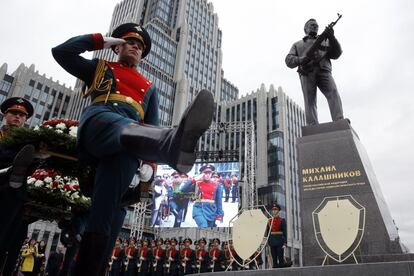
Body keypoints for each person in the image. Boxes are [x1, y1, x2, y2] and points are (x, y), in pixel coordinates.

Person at [52, 22, 214, 275]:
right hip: (100, 123)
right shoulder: (100, 67)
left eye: (140, 47)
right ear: (117, 47)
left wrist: (147, 171)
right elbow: (61, 52)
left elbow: (151, 124)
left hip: (128, 148)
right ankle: (172, 144)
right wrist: (101, 41)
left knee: (107, 216)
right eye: (130, 43)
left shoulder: (149, 86)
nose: (136, 48)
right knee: (125, 127)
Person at [0, 97, 36, 276]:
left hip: (13, 193)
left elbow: (33, 169)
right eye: (13, 113)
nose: (17, 117)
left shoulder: (29, 143)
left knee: (6, 239)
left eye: (22, 115)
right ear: (5, 115)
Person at [285, 18, 343, 125]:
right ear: (305, 29)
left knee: (333, 92)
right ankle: (312, 124)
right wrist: (301, 59)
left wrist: (332, 37)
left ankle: (339, 119)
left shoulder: (326, 41)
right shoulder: (297, 44)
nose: (315, 27)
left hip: (324, 71)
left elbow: (337, 54)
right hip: (307, 72)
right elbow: (288, 61)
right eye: (312, 25)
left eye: (316, 26)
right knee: (310, 100)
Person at [267, 203, 287, 268]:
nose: (274, 211)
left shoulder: (282, 220)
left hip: (280, 241)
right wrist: (268, 242)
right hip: (272, 241)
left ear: (278, 211)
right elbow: (268, 233)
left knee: (280, 259)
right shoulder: (269, 221)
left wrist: (285, 242)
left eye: (275, 210)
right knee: (274, 260)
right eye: (273, 210)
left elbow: (285, 232)